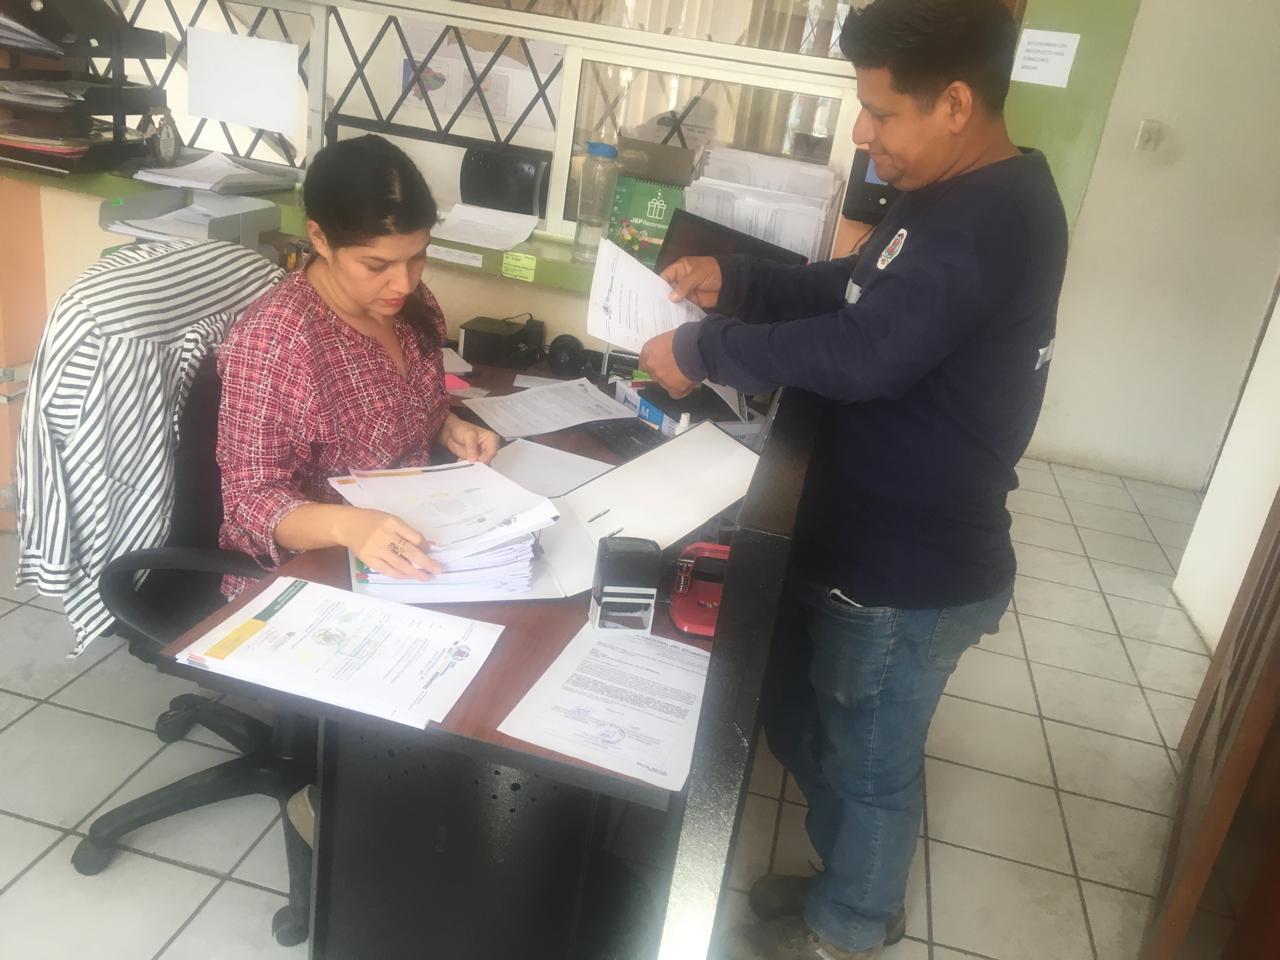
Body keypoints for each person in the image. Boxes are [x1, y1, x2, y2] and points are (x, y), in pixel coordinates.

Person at [639, 1, 1068, 958]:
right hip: (858, 538)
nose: (863, 133)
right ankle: (850, 885)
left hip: (908, 570)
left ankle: (851, 929)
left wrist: (706, 348)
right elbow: (852, 290)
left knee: (868, 765)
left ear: (954, 104)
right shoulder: (946, 192)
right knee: (807, 721)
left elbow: (867, 352)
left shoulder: (992, 220)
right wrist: (736, 280)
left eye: (880, 112)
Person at [217, 134, 499, 597]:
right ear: (320, 239)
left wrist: (447, 426)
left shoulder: (411, 307)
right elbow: (251, 503)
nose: (404, 282)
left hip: (412, 548)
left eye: (417, 257)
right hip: (309, 577)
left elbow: (398, 407)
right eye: (376, 265)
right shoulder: (276, 343)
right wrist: (349, 527)